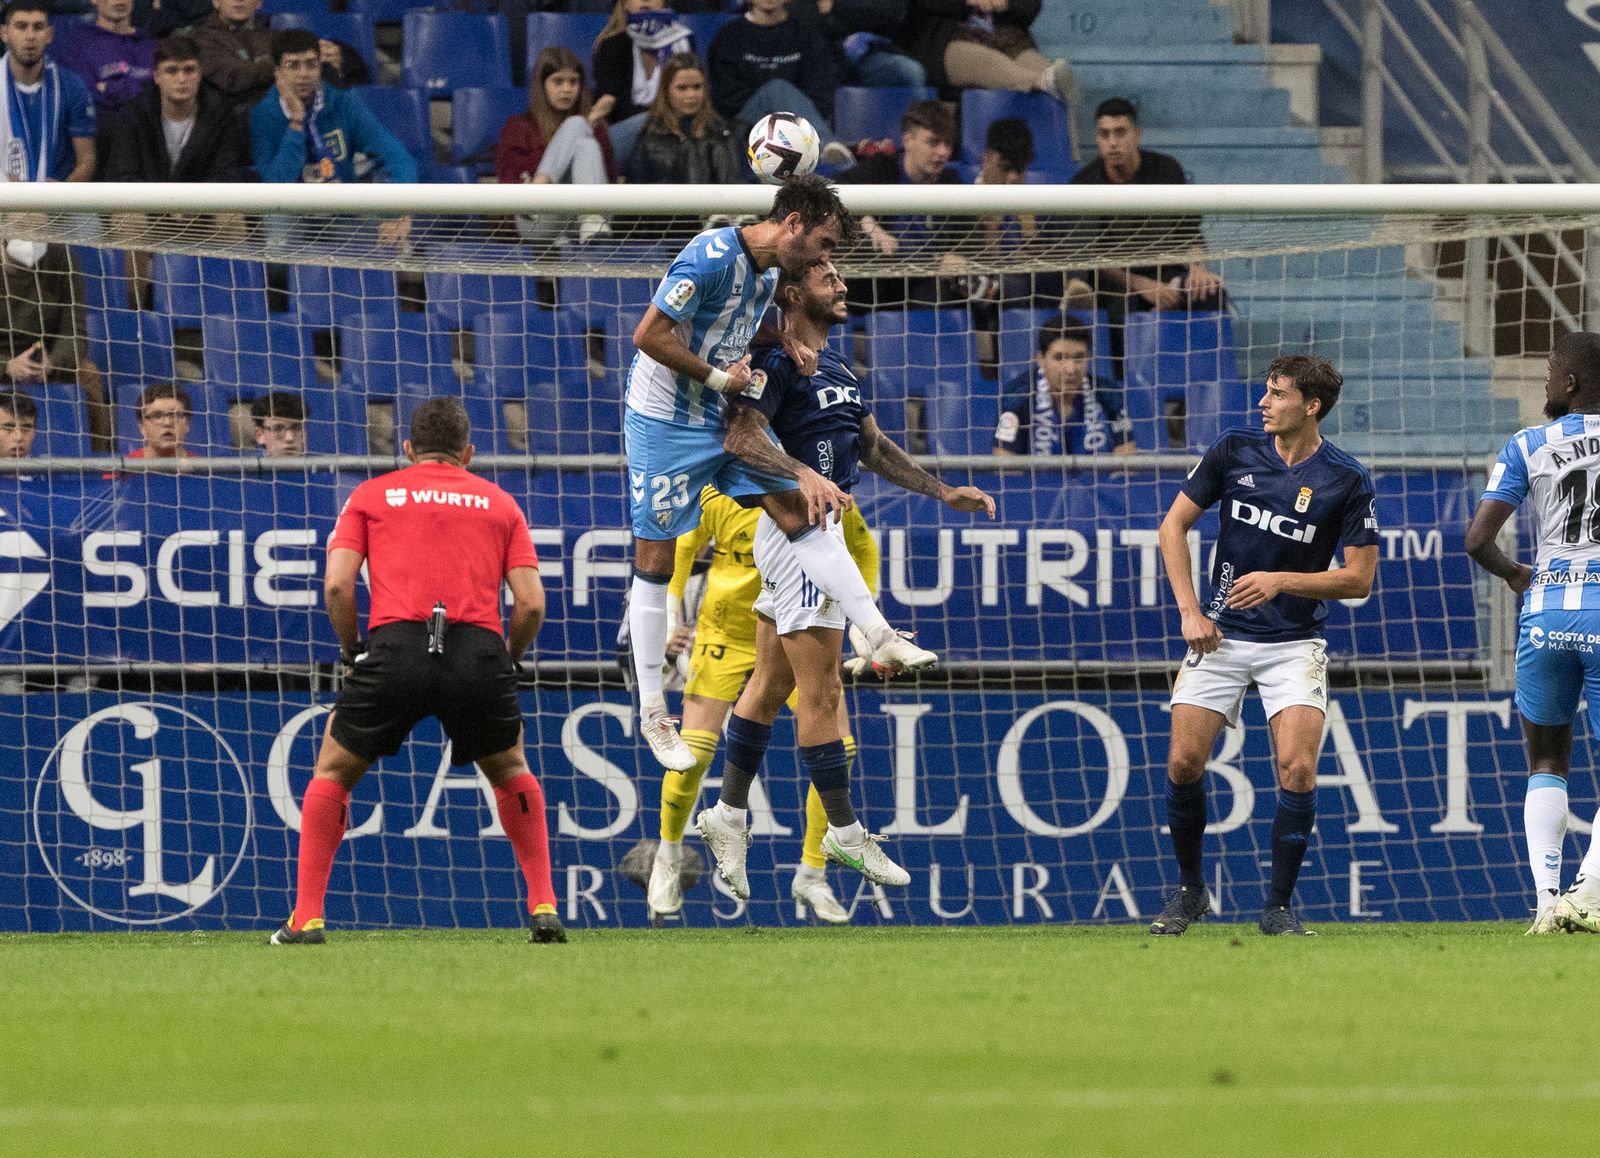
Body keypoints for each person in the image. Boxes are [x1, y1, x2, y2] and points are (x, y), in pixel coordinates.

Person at [697, 257, 995, 897]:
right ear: (795, 292)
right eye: (830, 277)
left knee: (770, 681)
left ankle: (726, 813)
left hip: (813, 529)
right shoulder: (775, 363)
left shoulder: (836, 366)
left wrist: (942, 491)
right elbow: (741, 439)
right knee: (823, 691)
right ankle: (845, 832)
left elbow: (874, 447)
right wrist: (800, 475)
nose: (844, 286)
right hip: (800, 527)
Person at [624, 174, 937, 772]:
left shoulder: (768, 274)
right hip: (663, 420)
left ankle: (877, 633)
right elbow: (649, 335)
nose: (826, 257)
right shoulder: (709, 255)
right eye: (822, 243)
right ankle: (653, 715)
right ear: (792, 223)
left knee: (799, 511)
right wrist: (721, 380)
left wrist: (781, 339)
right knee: (656, 561)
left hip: (718, 414)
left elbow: (734, 324)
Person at [271, 397, 564, 945]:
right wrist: (508, 659)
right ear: (469, 452)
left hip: (396, 646)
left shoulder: (371, 494)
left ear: (407, 449)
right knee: (510, 768)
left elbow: (336, 585)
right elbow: (531, 605)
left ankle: (307, 917)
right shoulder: (501, 503)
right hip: (477, 649)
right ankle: (544, 904)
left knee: (333, 771)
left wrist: (353, 648)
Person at [1153, 355, 1378, 937]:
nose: (1264, 403)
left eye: (1277, 394)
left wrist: (1284, 581)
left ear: (1311, 407)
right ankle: (1190, 891)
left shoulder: (1346, 478)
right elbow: (1172, 526)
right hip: (1220, 634)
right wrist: (1189, 612)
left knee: (1298, 769)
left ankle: (1277, 906)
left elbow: (1359, 580)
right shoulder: (1234, 450)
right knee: (1183, 762)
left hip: (1295, 641)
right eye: (1265, 392)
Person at [639, 483, 882, 924]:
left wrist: (864, 623)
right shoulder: (717, 493)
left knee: (840, 748)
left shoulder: (820, 492)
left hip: (789, 628)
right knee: (691, 752)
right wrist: (673, 618)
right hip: (725, 634)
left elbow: (863, 550)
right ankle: (668, 857)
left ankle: (812, 872)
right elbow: (680, 550)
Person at [1465, 332, 1600, 935]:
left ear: (1571, 383)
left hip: (1545, 615)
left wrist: (1520, 574)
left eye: (1550, 371)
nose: (1546, 381)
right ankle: (1586, 894)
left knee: (1546, 759)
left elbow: (1476, 541)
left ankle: (1548, 900)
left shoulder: (1527, 443)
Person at [1069, 98, 1225, 378]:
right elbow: (1090, 257)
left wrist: (1198, 267)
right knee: (1119, 306)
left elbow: (1191, 234)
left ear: (1137, 134)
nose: (1112, 142)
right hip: (1118, 284)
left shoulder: (1167, 171)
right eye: (1105, 134)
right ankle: (1129, 394)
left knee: (1210, 292)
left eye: (1120, 132)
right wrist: (1141, 284)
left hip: (1169, 276)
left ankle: (1205, 388)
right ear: (1097, 139)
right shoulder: (1084, 184)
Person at [251, 30, 414, 245]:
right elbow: (275, 185)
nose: (303, 74)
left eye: (311, 64)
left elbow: (397, 156)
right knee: (278, 251)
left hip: (341, 209)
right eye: (293, 65)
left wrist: (400, 211)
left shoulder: (344, 103)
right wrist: (297, 123)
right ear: (278, 73)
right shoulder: (264, 114)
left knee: (395, 245)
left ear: (320, 67)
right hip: (290, 211)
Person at [842, 100, 968, 311]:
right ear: (908, 140)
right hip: (878, 281)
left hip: (926, 282)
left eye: (948, 144)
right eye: (934, 142)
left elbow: (968, 236)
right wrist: (868, 223)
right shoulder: (880, 168)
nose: (943, 152)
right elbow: (834, 189)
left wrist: (956, 256)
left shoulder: (951, 182)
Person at [495, 45, 618, 246]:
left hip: (588, 218)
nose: (567, 89)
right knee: (578, 125)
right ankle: (540, 189)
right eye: (558, 82)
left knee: (586, 144)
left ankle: (590, 219)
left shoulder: (596, 129)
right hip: (537, 216)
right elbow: (509, 178)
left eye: (573, 82)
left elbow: (608, 176)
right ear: (542, 85)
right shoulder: (518, 126)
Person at [706, 0, 852, 167]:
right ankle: (824, 146)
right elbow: (725, 97)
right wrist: (773, 116)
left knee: (778, 93)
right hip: (745, 127)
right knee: (776, 90)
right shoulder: (728, 37)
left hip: (795, 128)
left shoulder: (807, 35)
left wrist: (784, 121)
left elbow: (820, 92)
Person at [0, 237, 109, 452]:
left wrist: (52, 363)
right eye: (26, 219)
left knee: (89, 374)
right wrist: (7, 366)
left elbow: (75, 332)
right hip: (4, 363)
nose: (33, 230)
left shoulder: (63, 261)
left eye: (40, 219)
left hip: (45, 363)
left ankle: (96, 464)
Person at [100, 34, 254, 182]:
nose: (181, 79)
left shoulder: (221, 114)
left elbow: (226, 175)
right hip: (146, 206)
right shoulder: (133, 116)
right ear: (156, 76)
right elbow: (122, 176)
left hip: (201, 206)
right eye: (171, 71)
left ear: (199, 74)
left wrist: (186, 207)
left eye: (189, 70)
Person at [992, 317, 1135, 456]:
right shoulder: (1016, 397)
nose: (1070, 369)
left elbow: (1127, 460)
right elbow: (1005, 465)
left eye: (1079, 358)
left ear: (1089, 358)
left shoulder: (1109, 394)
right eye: (1059, 358)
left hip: (1099, 481)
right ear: (1041, 359)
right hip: (1035, 481)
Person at [0, 0, 97, 182]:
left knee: (88, 212)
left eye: (38, 27)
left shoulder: (72, 85)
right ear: (5, 33)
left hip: (60, 203)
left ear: (49, 34)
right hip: (3, 200)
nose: (30, 36)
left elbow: (87, 160)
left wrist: (57, 198)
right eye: (21, 27)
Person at [903, 0, 1074, 102]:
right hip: (950, 39)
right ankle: (1041, 82)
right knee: (988, 61)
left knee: (1052, 77)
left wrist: (1007, 3)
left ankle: (1071, 160)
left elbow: (1030, 6)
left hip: (1007, 39)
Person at [590, 0, 692, 168]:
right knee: (652, 120)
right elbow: (613, 108)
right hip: (625, 131)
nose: (645, 0)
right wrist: (660, 115)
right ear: (625, 4)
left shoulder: (683, 40)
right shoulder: (612, 45)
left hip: (676, 130)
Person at [624, 53, 736, 187]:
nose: (691, 95)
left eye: (697, 87)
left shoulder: (721, 133)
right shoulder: (649, 138)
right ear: (666, 92)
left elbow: (734, 188)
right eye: (682, 88)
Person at [53, 0, 155, 123]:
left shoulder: (150, 44)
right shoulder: (78, 43)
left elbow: (158, 94)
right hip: (102, 130)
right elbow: (87, 98)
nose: (120, 1)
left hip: (147, 127)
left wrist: (110, 88)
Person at [191, 0, 274, 115]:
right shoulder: (201, 39)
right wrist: (275, 66)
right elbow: (233, 77)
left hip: (275, 113)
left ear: (259, 2)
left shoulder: (275, 37)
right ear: (216, 2)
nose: (239, 0)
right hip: (228, 119)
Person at [127, 380, 194, 461]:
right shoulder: (123, 470)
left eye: (175, 415)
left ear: (187, 424)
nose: (167, 423)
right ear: (142, 427)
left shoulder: (204, 470)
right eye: (157, 416)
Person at [250, 390, 306, 457]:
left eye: (296, 428)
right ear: (260, 435)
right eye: (278, 429)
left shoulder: (318, 466)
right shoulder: (245, 467)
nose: (289, 438)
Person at [0, 390, 37, 457]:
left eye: (26, 428)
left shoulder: (51, 466)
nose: (19, 437)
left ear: (34, 432)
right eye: (8, 427)